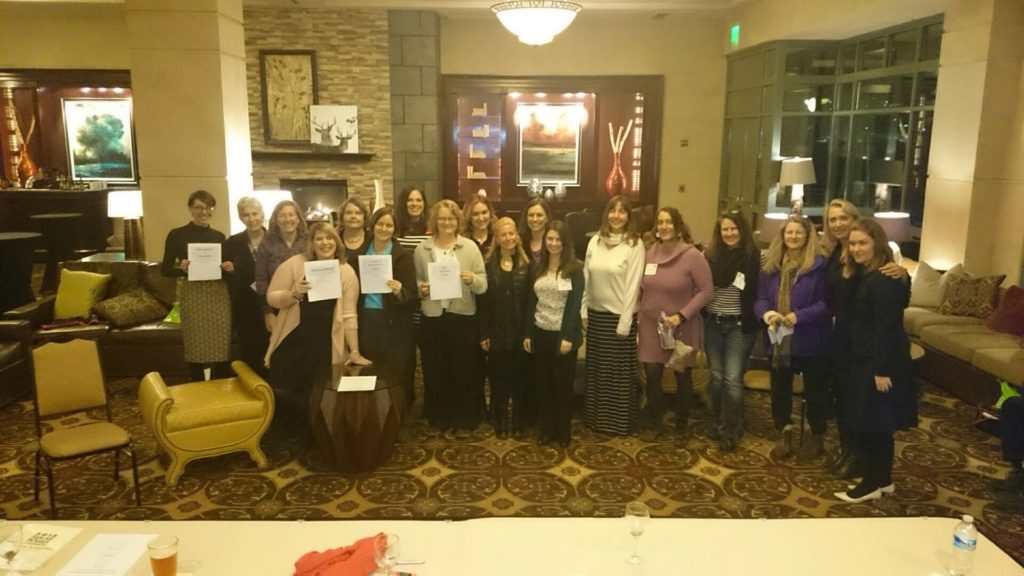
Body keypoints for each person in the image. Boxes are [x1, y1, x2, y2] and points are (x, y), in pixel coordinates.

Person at [821, 199, 907, 478]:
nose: (837, 224)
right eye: (832, 220)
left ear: (854, 219)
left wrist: (904, 275)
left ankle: (859, 459)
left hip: (861, 342)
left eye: (843, 218)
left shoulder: (873, 262)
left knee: (859, 404)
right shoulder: (834, 252)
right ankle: (849, 452)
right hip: (842, 336)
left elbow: (890, 305)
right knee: (844, 400)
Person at [834, 218, 916, 502]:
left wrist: (881, 369)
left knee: (872, 423)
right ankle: (882, 478)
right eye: (853, 243)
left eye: (863, 243)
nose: (856, 248)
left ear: (876, 244)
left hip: (879, 362)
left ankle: (871, 483)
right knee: (876, 422)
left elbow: (887, 327)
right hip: (865, 358)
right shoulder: (866, 274)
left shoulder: (884, 278)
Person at [264, 222, 371, 426]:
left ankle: (316, 435)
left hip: (326, 343)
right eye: (319, 238)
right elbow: (271, 297)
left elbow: (349, 314)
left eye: (329, 238)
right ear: (311, 243)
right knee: (287, 389)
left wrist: (354, 351)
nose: (325, 243)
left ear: (336, 242)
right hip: (295, 339)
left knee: (320, 392)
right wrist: (292, 294)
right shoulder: (294, 264)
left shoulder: (346, 271)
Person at [754, 215, 831, 459]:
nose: (793, 237)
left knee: (816, 391)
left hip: (812, 339)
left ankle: (816, 435)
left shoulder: (820, 266)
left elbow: (828, 304)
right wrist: (766, 314)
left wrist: (801, 316)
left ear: (808, 236)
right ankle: (784, 431)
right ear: (782, 236)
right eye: (789, 232)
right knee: (780, 389)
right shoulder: (771, 266)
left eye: (799, 232)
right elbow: (760, 299)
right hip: (778, 338)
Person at [637, 207, 713, 440]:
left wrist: (681, 315)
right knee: (652, 376)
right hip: (651, 326)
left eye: (669, 222)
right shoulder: (649, 253)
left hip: (681, 327)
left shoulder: (692, 256)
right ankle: (656, 423)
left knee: (682, 377)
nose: (664, 226)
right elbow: (641, 287)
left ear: (678, 226)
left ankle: (682, 425)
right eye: (660, 222)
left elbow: (706, 291)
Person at [414, 199, 487, 432]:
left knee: (464, 368)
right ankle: (439, 416)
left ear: (458, 221)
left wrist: (471, 279)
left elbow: (483, 285)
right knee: (435, 368)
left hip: (463, 316)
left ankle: (464, 417)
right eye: (442, 218)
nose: (447, 222)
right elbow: (416, 282)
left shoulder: (470, 248)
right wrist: (421, 289)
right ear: (435, 221)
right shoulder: (422, 250)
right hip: (433, 317)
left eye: (451, 218)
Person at [582, 195, 645, 436]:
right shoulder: (595, 241)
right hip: (596, 317)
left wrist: (625, 322)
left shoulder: (634, 244)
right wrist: (583, 309)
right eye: (612, 211)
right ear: (606, 214)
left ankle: (617, 423)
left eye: (622, 211)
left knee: (617, 376)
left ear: (629, 216)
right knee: (597, 372)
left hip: (619, 318)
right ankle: (596, 420)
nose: (616, 216)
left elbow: (633, 285)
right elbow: (587, 277)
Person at [703, 212, 761, 452]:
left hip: (740, 325)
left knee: (732, 379)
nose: (729, 233)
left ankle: (731, 428)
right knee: (716, 378)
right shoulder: (710, 257)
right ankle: (718, 419)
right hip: (713, 323)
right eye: (725, 229)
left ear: (742, 230)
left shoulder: (753, 257)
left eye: (733, 229)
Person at [160, 190, 233, 382]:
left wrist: (228, 267)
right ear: (191, 208)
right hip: (193, 294)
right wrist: (181, 268)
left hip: (217, 294)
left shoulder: (219, 236)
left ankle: (220, 387)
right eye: (199, 207)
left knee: (220, 343)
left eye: (209, 208)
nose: (204, 212)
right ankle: (197, 386)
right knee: (195, 345)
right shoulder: (176, 235)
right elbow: (165, 269)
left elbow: (224, 268)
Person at [525, 221, 584, 447]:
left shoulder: (575, 269)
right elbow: (532, 301)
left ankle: (563, 431)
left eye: (558, 239)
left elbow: (574, 304)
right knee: (544, 385)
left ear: (565, 241)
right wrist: (528, 333)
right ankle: (546, 429)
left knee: (562, 386)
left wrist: (568, 337)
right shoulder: (537, 268)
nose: (553, 243)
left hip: (563, 336)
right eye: (549, 239)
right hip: (541, 332)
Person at [357, 207, 418, 404]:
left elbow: (412, 295)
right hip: (367, 319)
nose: (384, 228)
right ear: (372, 226)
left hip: (395, 323)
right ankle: (372, 413)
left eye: (389, 225)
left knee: (397, 371)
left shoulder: (404, 256)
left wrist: (400, 291)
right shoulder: (360, 253)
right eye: (380, 224)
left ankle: (398, 412)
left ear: (395, 229)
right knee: (370, 369)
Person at [479, 217, 531, 438]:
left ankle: (518, 418)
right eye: (504, 235)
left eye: (512, 234)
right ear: (497, 239)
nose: (508, 238)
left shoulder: (528, 265)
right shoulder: (488, 266)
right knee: (498, 377)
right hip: (497, 331)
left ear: (517, 237)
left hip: (520, 331)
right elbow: (483, 303)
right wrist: (483, 332)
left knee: (520, 378)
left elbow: (531, 302)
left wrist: (529, 333)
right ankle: (500, 419)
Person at [223, 196, 269, 378]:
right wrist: (229, 269)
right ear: (241, 218)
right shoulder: (233, 242)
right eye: (246, 215)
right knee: (249, 353)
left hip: (271, 304)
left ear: (262, 214)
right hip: (245, 306)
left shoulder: (274, 239)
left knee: (272, 351)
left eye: (255, 213)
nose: (252, 218)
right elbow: (225, 272)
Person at [463, 194, 497, 418]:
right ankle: (475, 407)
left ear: (491, 214)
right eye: (475, 213)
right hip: (470, 308)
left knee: (496, 364)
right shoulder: (462, 241)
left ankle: (496, 408)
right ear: (468, 216)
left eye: (484, 212)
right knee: (472, 362)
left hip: (495, 309)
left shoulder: (500, 238)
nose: (480, 217)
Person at [255, 200, 309, 332]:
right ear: (276, 220)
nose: (287, 219)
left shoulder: (308, 240)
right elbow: (261, 278)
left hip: (305, 305)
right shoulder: (267, 243)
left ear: (298, 219)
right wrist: (268, 312)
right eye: (282, 215)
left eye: (291, 215)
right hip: (277, 306)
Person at [338, 197, 371, 271]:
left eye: (358, 213)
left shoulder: (373, 238)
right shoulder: (335, 239)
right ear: (342, 217)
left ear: (364, 217)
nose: (353, 216)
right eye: (348, 213)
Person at [395, 185, 431, 250]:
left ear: (424, 203)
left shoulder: (431, 229)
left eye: (419, 200)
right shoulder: (394, 228)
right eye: (410, 200)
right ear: (403, 203)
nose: (414, 204)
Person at [520, 197, 552, 264]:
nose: (534, 219)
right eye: (531, 215)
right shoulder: (520, 242)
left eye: (539, 215)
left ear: (547, 218)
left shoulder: (554, 241)